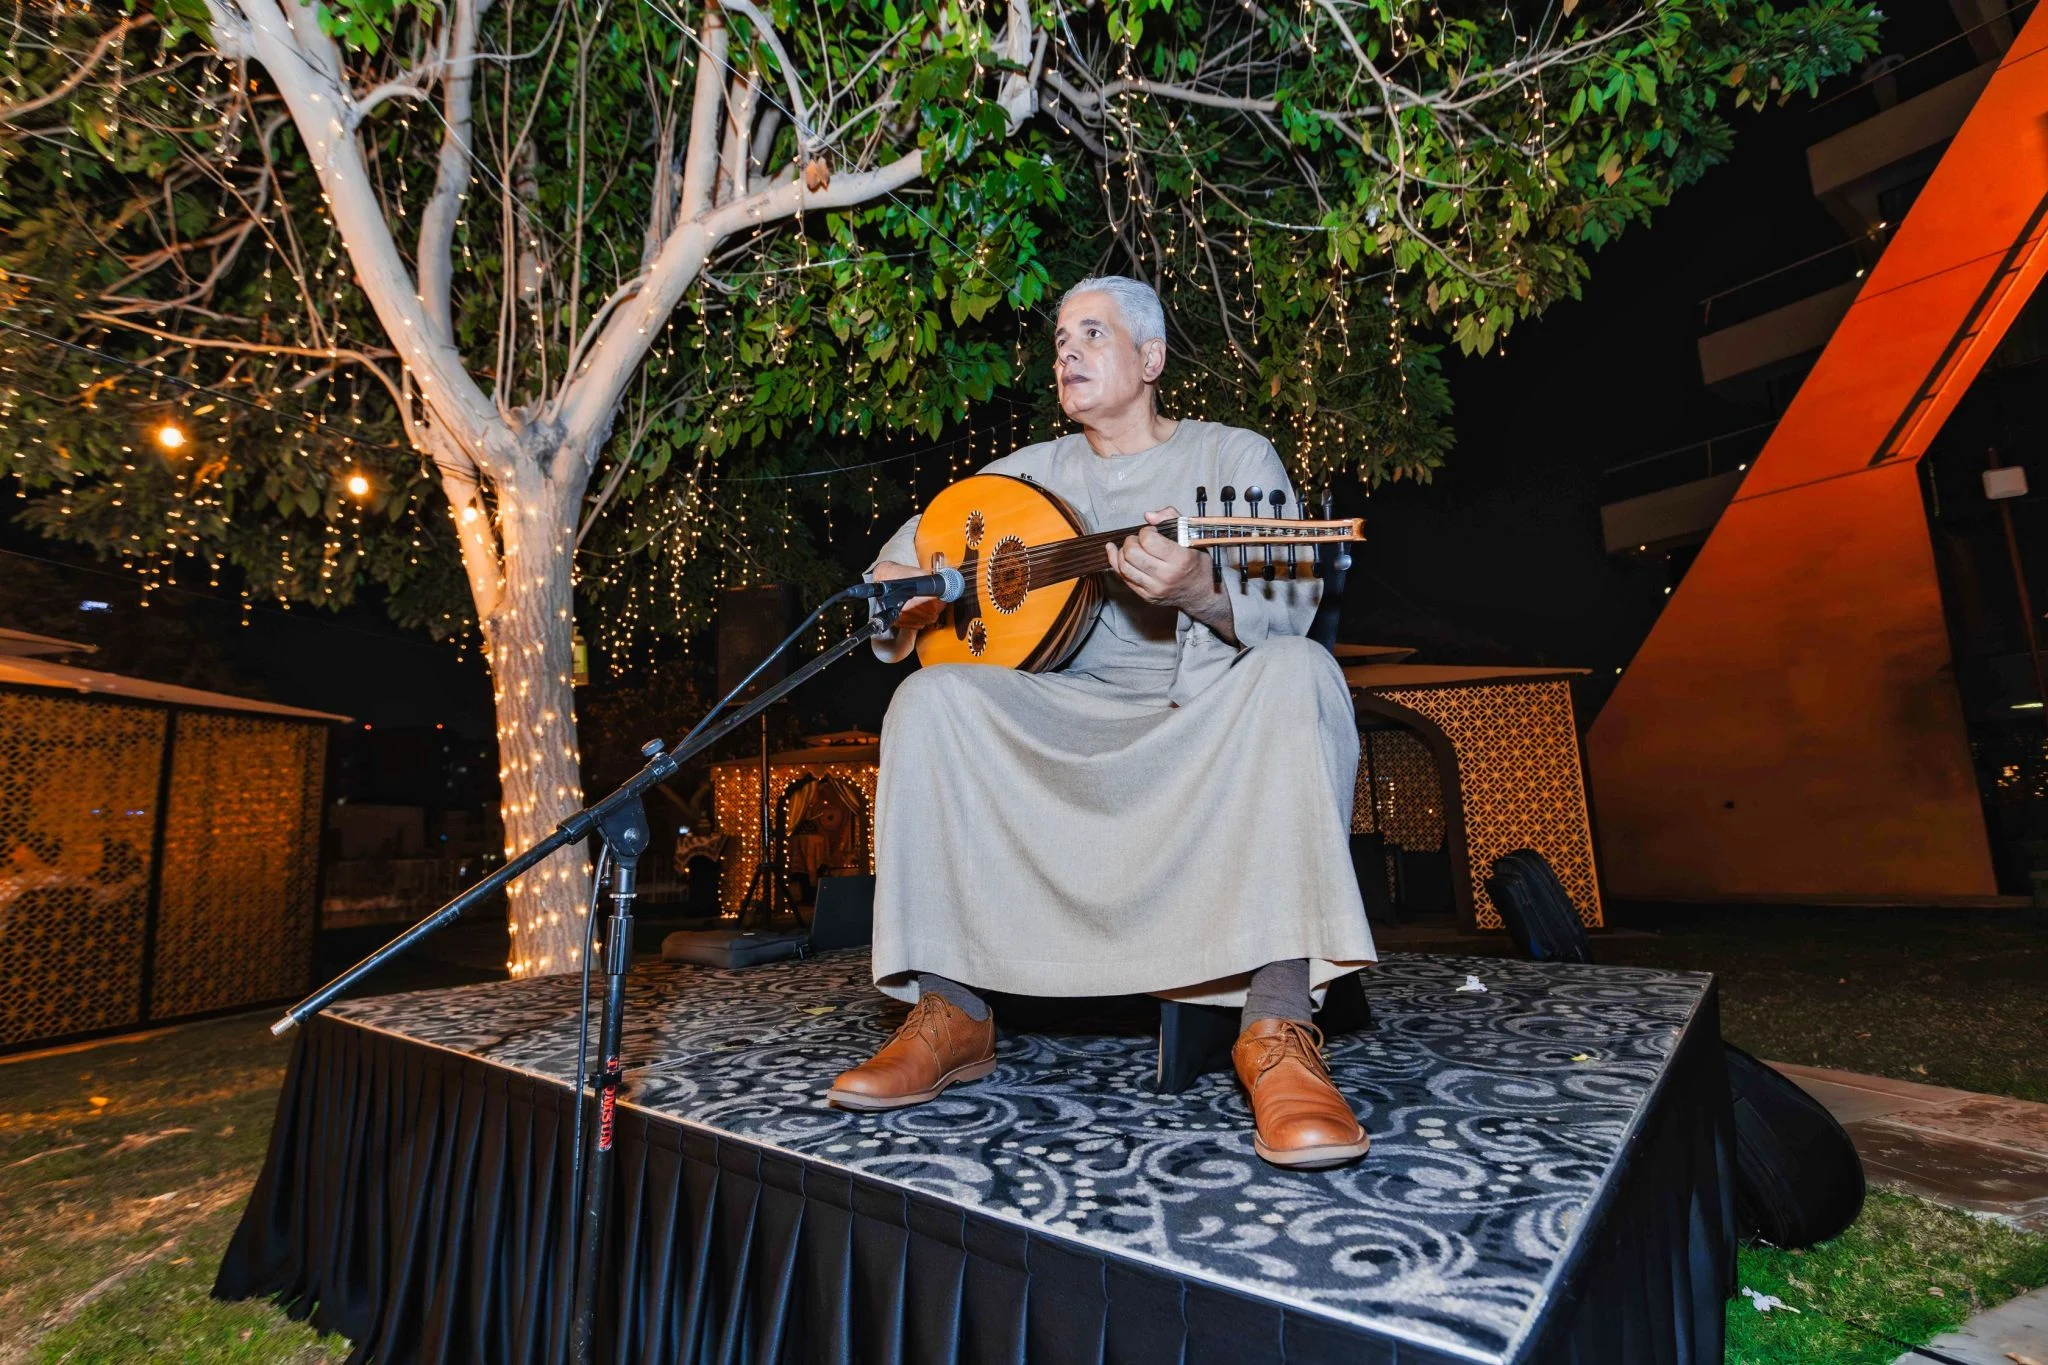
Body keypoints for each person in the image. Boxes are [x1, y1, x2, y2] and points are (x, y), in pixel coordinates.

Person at [828, 276, 1376, 1168]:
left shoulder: (1233, 457)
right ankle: (952, 1010)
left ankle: (1277, 1028)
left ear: (1151, 360)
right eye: (1059, 340)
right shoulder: (1026, 475)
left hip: (1199, 719)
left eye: (1093, 334)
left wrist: (1200, 589)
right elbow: (907, 559)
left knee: (1300, 672)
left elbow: (1286, 611)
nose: (1068, 353)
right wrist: (909, 592)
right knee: (929, 700)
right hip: (1061, 720)